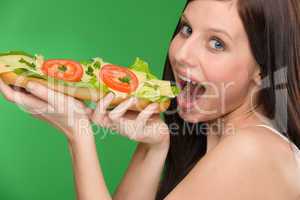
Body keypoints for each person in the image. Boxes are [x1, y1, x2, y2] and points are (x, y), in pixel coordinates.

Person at [0, 0, 299, 199]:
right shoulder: (222, 146)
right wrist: (153, 147)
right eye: (187, 29)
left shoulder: (253, 150)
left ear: (263, 68)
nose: (182, 54)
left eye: (217, 43)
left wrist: (77, 133)